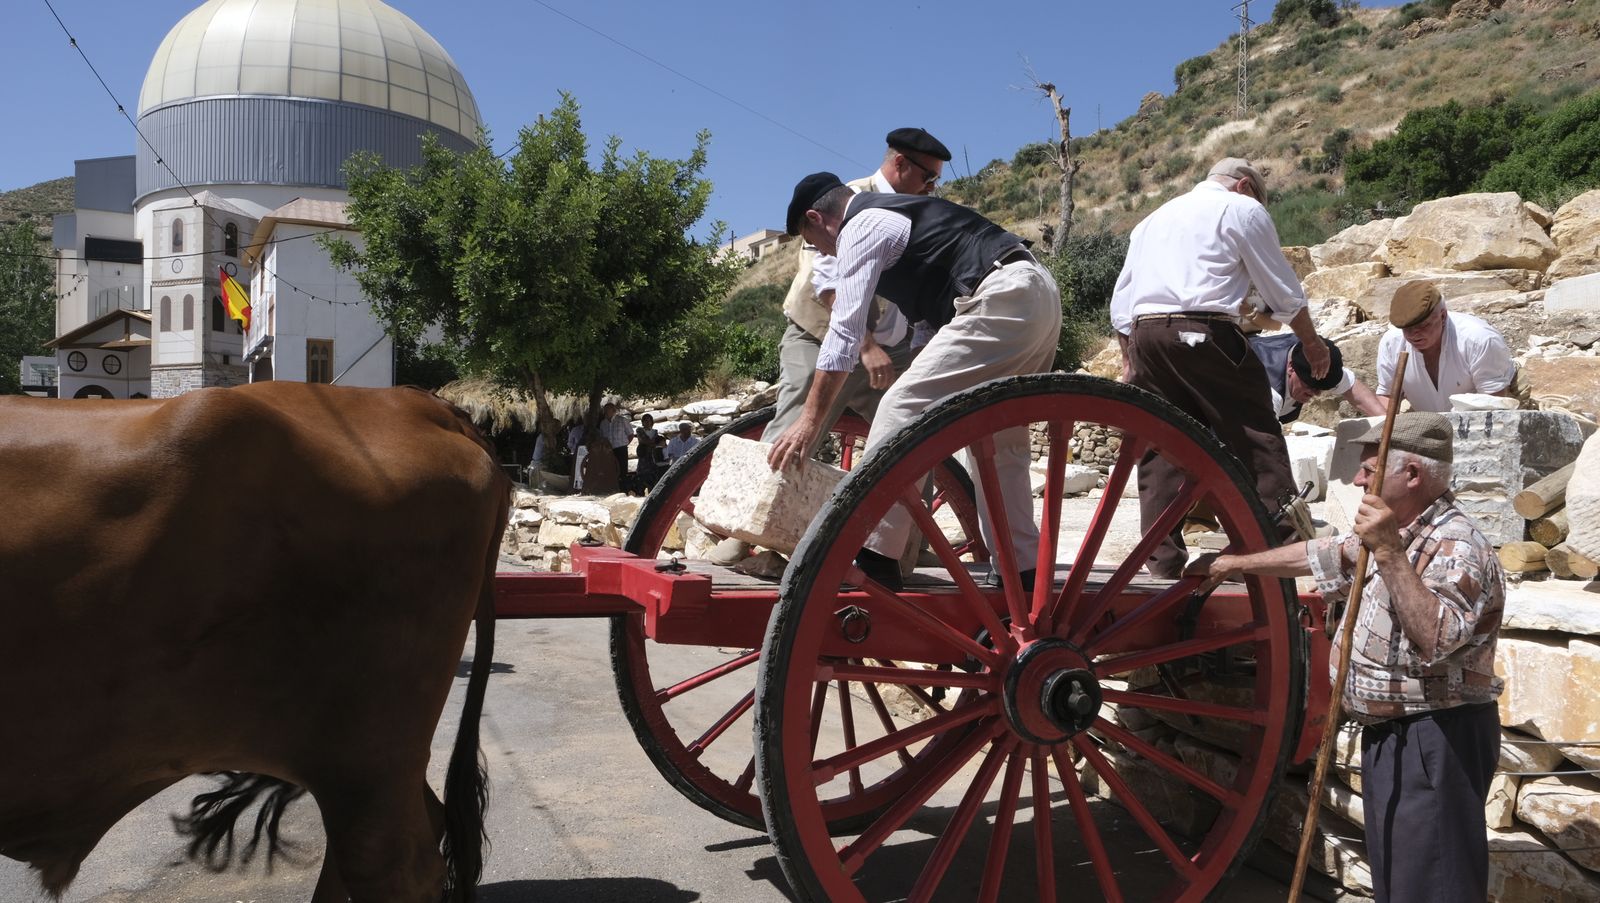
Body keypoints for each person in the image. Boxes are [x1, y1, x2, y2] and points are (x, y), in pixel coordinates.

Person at [1189, 412, 1503, 903]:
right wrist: (1234, 564)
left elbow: (1437, 638)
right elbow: (1322, 554)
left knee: (1435, 883)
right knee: (1401, 880)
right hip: (1393, 733)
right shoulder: (1402, 530)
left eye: (1369, 469)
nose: (1357, 480)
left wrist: (1391, 554)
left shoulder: (1455, 544)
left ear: (1412, 475)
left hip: (1437, 736)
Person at [769, 171, 1061, 590]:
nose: (823, 254)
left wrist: (810, 419)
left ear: (817, 218)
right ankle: (1023, 568)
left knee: (899, 409)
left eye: (816, 245)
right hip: (1033, 294)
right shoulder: (904, 220)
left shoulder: (862, 225)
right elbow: (927, 326)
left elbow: (845, 332)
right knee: (999, 440)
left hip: (1000, 293)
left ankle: (874, 556)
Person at [709, 127, 949, 566]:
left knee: (915, 434)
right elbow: (829, 288)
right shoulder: (843, 203)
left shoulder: (922, 210)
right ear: (900, 164)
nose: (933, 187)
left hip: (890, 348)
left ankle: (912, 543)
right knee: (798, 419)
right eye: (929, 177)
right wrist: (867, 345)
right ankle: (745, 533)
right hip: (819, 333)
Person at [1110, 157, 1334, 578]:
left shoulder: (1151, 221)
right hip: (1204, 332)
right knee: (1253, 433)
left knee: (1162, 446)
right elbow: (1281, 289)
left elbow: (1121, 304)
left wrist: (1129, 359)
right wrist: (1311, 341)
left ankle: (1162, 563)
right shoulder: (1241, 210)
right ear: (1245, 186)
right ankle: (1280, 547)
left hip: (1146, 336)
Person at [1376, 280, 1516, 412]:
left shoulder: (1479, 339)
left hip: (1490, 406)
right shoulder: (1392, 343)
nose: (1414, 334)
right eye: (1407, 328)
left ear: (1442, 317)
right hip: (1431, 417)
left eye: (1423, 326)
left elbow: (1493, 402)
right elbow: (1387, 396)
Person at [1248, 332, 1385, 423]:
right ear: (1291, 367)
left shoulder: (1314, 360)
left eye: (1321, 388)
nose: (1316, 393)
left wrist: (1389, 425)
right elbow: (1263, 444)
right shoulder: (1265, 386)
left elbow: (1351, 386)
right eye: (1310, 385)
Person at [600, 402, 633, 489]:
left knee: (622, 470)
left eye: (608, 410)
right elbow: (602, 438)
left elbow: (630, 434)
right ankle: (612, 488)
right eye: (605, 410)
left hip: (621, 449)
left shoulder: (622, 420)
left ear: (613, 411)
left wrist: (624, 444)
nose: (606, 412)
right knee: (611, 470)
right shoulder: (603, 423)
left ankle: (624, 489)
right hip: (609, 450)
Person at [634, 414, 664, 494]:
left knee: (653, 476)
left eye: (649, 421)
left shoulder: (655, 432)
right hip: (644, 455)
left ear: (652, 422)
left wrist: (653, 444)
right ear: (642, 422)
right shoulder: (639, 430)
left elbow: (659, 443)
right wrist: (653, 443)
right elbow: (643, 440)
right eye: (645, 421)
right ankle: (640, 493)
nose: (647, 422)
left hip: (653, 456)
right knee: (642, 476)